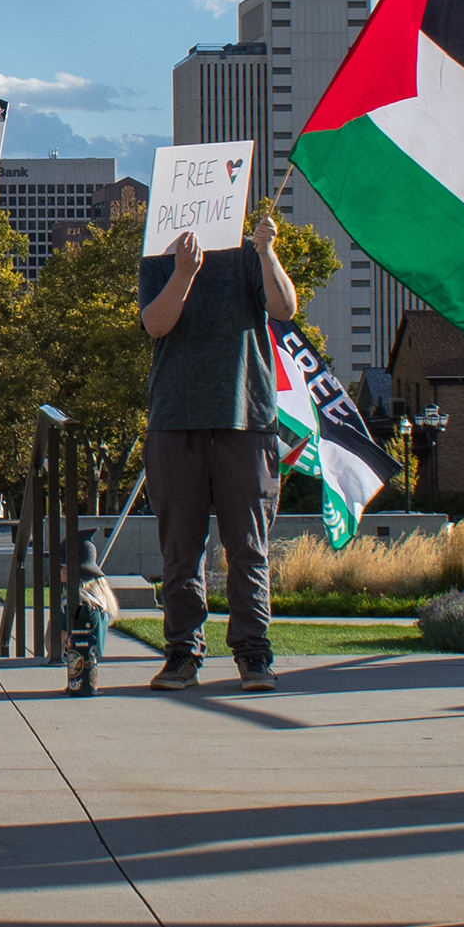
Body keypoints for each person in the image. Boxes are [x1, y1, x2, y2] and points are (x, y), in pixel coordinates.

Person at [137, 202, 300, 694]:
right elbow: (155, 324)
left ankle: (254, 655)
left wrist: (267, 250)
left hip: (245, 419)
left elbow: (284, 309)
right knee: (180, 552)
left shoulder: (251, 254)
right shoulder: (159, 257)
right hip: (175, 421)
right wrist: (184, 272)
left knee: (248, 548)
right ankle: (182, 654)